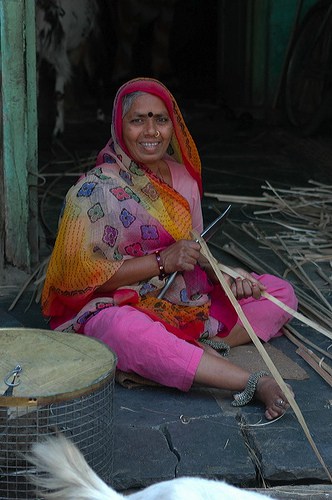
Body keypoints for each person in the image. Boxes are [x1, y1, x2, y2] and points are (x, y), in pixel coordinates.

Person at [41, 77, 298, 420]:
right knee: (123, 330)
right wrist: (161, 261)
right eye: (138, 120)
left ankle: (191, 348)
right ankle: (249, 380)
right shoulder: (94, 191)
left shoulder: (183, 180)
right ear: (120, 127)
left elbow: (195, 247)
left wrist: (227, 279)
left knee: (279, 293)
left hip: (179, 299)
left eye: (161, 119)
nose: (151, 131)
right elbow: (77, 280)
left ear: (172, 125)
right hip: (118, 304)